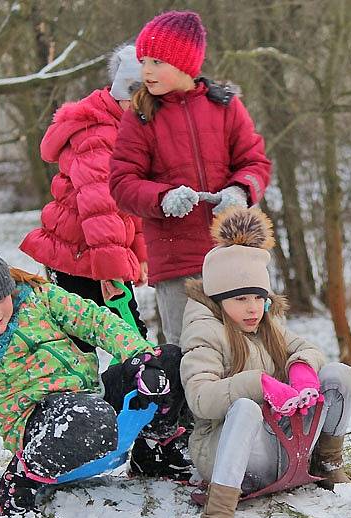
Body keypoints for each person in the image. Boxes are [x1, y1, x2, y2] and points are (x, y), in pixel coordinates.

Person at [0, 212, 172, 516]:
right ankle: (19, 478)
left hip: (90, 396)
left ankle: (154, 453)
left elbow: (94, 321)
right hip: (40, 425)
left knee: (167, 363)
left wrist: (137, 354)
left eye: (0, 299)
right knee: (90, 417)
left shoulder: (37, 297)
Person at [179, 208, 351, 518]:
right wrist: (258, 384)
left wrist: (302, 369)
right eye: (241, 299)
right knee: (245, 407)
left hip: (280, 443)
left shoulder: (267, 324)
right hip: (227, 451)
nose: (253, 309)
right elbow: (201, 399)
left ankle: (327, 461)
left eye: (259, 298)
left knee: (340, 373)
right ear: (218, 300)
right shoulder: (204, 332)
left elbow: (305, 347)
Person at [110, 10, 271, 346]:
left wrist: (240, 191)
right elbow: (123, 182)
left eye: (156, 61)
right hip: (176, 261)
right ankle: (191, 401)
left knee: (249, 342)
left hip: (232, 250)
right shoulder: (141, 116)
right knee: (190, 348)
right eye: (143, 61)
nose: (146, 71)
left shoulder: (225, 106)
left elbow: (255, 162)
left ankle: (253, 399)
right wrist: (163, 198)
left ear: (183, 62)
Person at [21, 44, 149, 354]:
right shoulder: (97, 134)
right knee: (96, 342)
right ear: (128, 95)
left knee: (126, 336)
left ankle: (131, 394)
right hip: (78, 254)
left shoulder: (125, 129)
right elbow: (100, 204)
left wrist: (141, 254)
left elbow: (131, 203)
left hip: (99, 251)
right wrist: (111, 269)